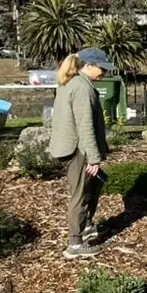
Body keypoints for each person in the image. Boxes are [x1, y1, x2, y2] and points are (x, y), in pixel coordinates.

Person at [49, 48, 113, 259]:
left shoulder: (72, 83)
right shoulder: (81, 88)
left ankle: (85, 226)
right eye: (101, 68)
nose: (104, 72)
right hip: (79, 150)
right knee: (81, 195)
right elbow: (85, 126)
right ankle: (75, 243)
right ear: (88, 65)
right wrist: (93, 157)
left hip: (74, 147)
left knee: (94, 185)